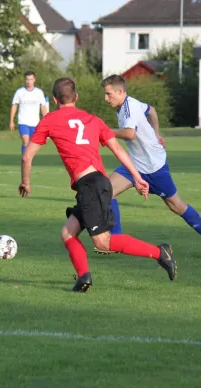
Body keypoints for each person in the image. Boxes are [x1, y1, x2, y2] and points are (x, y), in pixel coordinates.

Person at [19, 77, 177, 292]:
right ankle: (83, 277)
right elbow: (119, 150)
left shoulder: (49, 120)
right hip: (98, 183)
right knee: (68, 233)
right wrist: (137, 177)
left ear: (55, 99)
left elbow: (26, 157)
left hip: (90, 187)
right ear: (76, 97)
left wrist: (25, 182)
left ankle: (160, 253)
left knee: (103, 243)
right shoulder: (93, 119)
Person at [99, 75, 201, 260]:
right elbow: (152, 110)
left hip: (153, 167)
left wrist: (105, 132)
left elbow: (130, 134)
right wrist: (156, 134)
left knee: (176, 206)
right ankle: (117, 240)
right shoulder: (128, 104)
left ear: (120, 91)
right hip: (134, 164)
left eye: (109, 94)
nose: (106, 99)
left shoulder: (130, 107)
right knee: (106, 191)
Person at [9, 71, 48, 155]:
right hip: (23, 122)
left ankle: (28, 159)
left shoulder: (39, 92)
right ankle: (24, 159)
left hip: (35, 123)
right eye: (27, 79)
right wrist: (11, 121)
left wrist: (46, 119)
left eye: (31, 79)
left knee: (32, 144)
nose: (29, 81)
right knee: (25, 141)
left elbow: (43, 106)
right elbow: (14, 105)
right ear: (25, 80)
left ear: (34, 80)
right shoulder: (19, 92)